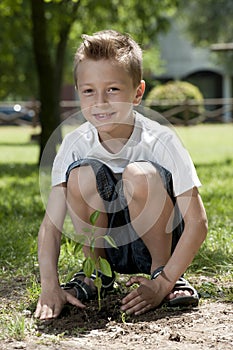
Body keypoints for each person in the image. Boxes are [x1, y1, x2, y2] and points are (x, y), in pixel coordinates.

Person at [35, 30, 208, 320]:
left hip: (157, 240)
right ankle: (96, 275)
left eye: (113, 89)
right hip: (107, 249)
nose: (100, 102)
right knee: (80, 175)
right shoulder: (75, 144)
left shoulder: (161, 139)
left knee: (138, 173)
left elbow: (198, 222)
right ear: (78, 92)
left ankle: (165, 273)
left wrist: (161, 283)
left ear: (137, 92)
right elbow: (50, 227)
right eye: (89, 91)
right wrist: (49, 286)